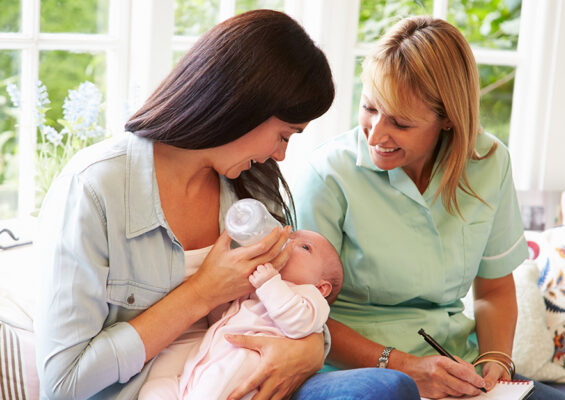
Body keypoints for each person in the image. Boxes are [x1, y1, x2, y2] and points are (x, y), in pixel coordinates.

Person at [34, 9, 419, 400]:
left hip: (255, 385)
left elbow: (297, 303)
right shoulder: (95, 189)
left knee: (386, 388)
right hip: (160, 392)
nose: (281, 156)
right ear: (243, 105)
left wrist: (307, 349)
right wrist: (201, 293)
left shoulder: (254, 186)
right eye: (283, 135)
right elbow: (64, 384)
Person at [291, 15, 565, 400]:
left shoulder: (489, 163)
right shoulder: (327, 175)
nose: (375, 134)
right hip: (348, 372)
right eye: (369, 108)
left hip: (453, 365)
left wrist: (495, 361)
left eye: (400, 123)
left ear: (447, 120)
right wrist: (408, 368)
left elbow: (493, 289)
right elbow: (303, 314)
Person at [138, 229, 344, 399]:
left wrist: (269, 283)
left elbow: (299, 323)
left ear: (322, 287)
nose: (288, 244)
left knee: (209, 390)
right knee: (156, 389)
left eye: (305, 247)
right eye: (289, 238)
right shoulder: (257, 287)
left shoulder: (310, 297)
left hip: (246, 362)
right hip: (207, 358)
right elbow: (220, 317)